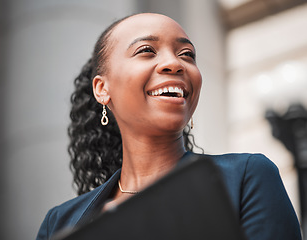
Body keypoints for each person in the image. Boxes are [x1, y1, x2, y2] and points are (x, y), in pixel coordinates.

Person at [36, 13, 301, 240]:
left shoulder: (246, 177)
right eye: (146, 50)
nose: (175, 63)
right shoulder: (59, 222)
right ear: (102, 89)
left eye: (187, 54)